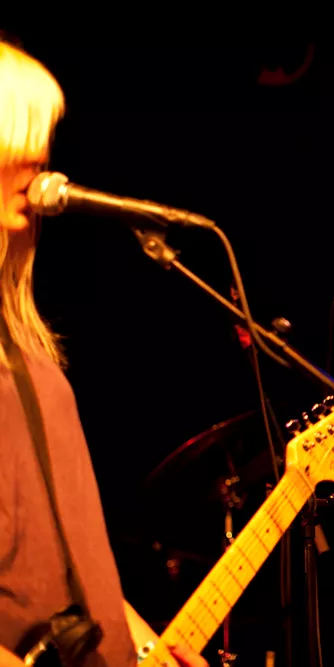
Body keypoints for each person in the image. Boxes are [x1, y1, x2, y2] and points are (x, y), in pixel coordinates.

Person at [0, 40, 208, 667]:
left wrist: (145, 646)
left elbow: (73, 562)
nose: (38, 160)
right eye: (18, 134)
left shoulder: (28, 357)